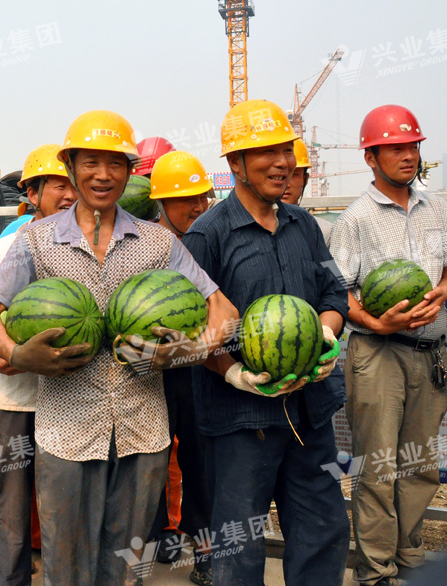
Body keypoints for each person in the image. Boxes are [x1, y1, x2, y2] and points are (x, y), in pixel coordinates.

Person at [0, 110, 237, 585]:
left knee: (127, 566)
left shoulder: (158, 242)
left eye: (115, 163)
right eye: (90, 162)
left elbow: (225, 312)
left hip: (143, 430)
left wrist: (185, 350)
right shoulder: (36, 241)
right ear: (70, 167)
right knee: (65, 565)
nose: (103, 174)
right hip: (66, 431)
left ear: (129, 171)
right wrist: (17, 355)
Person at [181, 99, 350, 586]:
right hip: (240, 419)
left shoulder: (304, 225)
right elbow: (192, 333)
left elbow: (334, 293)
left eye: (286, 151)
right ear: (235, 163)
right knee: (239, 543)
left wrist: (325, 333)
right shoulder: (206, 236)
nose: (282, 163)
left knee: (322, 527)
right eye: (266, 153)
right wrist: (233, 371)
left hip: (310, 410)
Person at [328, 104, 447, 586]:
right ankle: (376, 570)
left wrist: (444, 288)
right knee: (377, 467)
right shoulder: (354, 219)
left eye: (412, 146)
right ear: (371, 158)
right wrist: (377, 323)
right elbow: (337, 292)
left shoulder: (438, 207)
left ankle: (409, 555)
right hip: (378, 356)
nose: (407, 155)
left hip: (431, 355)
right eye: (394, 148)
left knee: (420, 464)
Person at [0, 143, 74, 585]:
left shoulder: (89, 248)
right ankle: (5, 572)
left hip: (72, 398)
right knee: (11, 494)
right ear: (32, 193)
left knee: (64, 496)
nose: (69, 194)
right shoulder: (3, 250)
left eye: (72, 184)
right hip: (16, 398)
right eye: (57, 185)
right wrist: (1, 353)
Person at [147, 151, 214, 585]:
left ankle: (205, 550)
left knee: (201, 459)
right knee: (152, 458)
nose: (198, 207)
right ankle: (157, 535)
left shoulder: (211, 238)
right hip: (153, 370)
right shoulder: (144, 244)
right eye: (187, 199)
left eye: (202, 197)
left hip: (202, 367)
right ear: (162, 202)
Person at [280, 139, 332, 243]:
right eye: (279, 176)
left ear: (305, 179)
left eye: (294, 175)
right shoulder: (251, 231)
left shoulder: (322, 232)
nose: (287, 184)